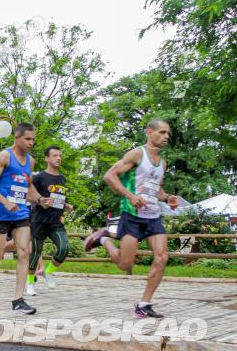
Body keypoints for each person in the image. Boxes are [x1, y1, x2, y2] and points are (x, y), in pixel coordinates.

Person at [84, 118, 179, 318]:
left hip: (153, 216)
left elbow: (156, 189)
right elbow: (110, 175)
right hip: (133, 216)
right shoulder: (137, 154)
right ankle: (103, 239)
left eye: (168, 134)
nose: (166, 137)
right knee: (125, 264)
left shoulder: (163, 162)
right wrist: (130, 196)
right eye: (162, 132)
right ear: (149, 132)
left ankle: (144, 304)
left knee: (162, 257)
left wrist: (167, 197)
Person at [0, 123, 45, 314]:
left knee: (25, 251)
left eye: (33, 139)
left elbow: (28, 187)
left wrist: (41, 199)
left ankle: (18, 299)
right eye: (27, 139)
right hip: (1, 212)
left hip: (21, 212)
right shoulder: (5, 156)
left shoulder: (30, 162)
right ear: (16, 138)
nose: (31, 143)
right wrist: (5, 201)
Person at [26, 146, 73, 295]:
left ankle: (48, 271)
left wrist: (65, 205)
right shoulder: (39, 177)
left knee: (64, 247)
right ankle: (30, 282)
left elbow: (57, 198)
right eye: (54, 155)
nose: (58, 158)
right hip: (39, 220)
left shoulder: (62, 178)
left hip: (55, 222)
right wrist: (40, 201)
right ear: (47, 158)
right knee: (35, 253)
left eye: (60, 155)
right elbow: (27, 194)